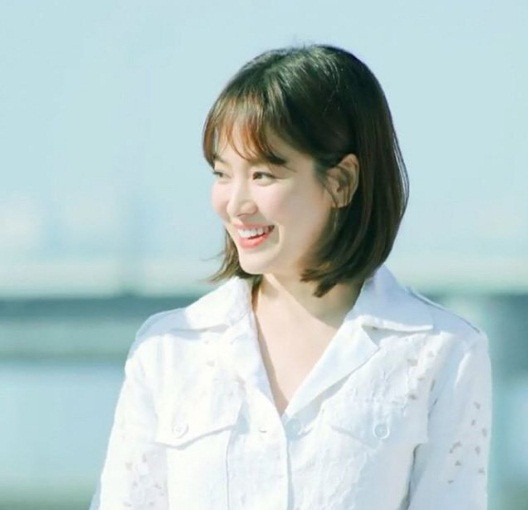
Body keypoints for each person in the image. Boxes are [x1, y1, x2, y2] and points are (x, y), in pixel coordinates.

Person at [90, 45, 492, 509]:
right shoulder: (170, 348)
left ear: (340, 182)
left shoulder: (441, 350)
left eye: (262, 175)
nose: (236, 204)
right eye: (223, 174)